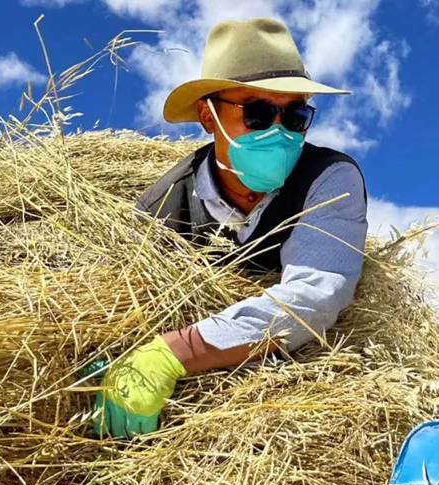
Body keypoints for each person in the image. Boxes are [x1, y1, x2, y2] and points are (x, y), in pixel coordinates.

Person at [91, 17, 368, 438]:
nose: (278, 132)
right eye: (257, 113)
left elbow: (313, 297)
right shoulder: (162, 206)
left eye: (294, 116)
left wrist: (171, 354)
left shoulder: (328, 178)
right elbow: (123, 302)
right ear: (208, 115)